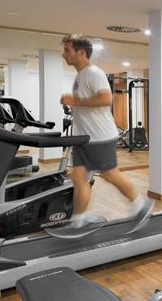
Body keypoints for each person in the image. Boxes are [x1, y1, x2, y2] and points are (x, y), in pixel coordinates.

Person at [60, 35, 153, 228]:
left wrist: (74, 101)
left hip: (99, 137)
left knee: (110, 175)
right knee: (79, 178)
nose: (64, 54)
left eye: (67, 50)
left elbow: (106, 99)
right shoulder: (80, 76)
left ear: (81, 52)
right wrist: (73, 104)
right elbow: (86, 105)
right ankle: (77, 222)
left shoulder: (94, 73)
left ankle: (141, 204)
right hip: (84, 139)